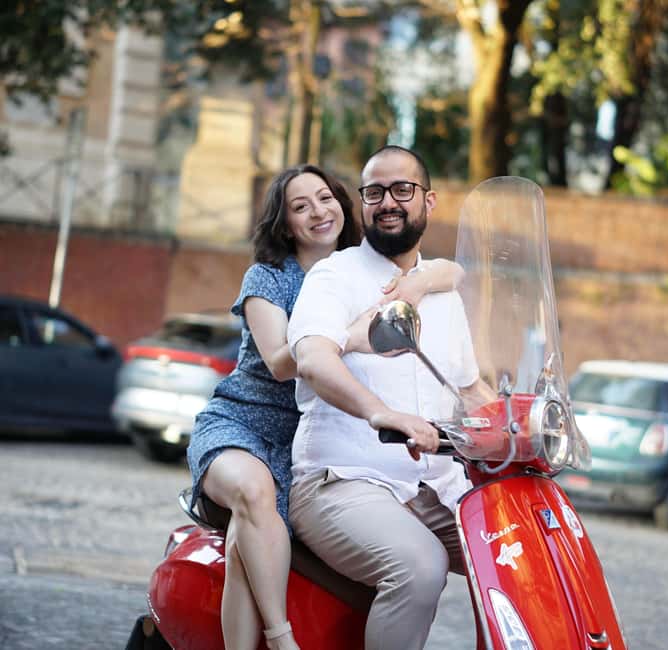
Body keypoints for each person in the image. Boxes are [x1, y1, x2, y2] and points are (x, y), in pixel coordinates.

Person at [186, 163, 464, 650]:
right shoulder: (269, 278)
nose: (318, 211)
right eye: (300, 206)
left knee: (258, 531)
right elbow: (278, 362)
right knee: (251, 505)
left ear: (343, 203)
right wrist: (344, 338)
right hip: (247, 423)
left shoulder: (361, 270)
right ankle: (279, 636)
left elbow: (450, 269)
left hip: (302, 436)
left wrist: (425, 280)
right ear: (285, 223)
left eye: (325, 198)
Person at [287, 146, 495, 650]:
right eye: (374, 192)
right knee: (420, 566)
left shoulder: (442, 291)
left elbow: (468, 388)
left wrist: (522, 423)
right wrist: (380, 412)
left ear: (429, 201)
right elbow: (313, 358)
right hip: (342, 480)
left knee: (521, 554)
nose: (388, 202)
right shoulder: (333, 276)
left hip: (437, 487)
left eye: (402, 190)